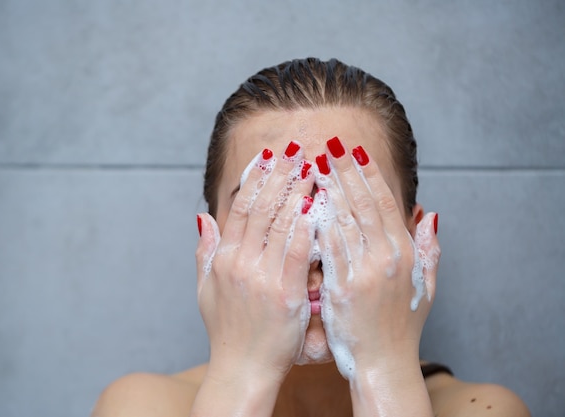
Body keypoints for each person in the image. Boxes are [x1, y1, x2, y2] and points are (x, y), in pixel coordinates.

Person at [92, 58, 530, 417]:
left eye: (350, 207)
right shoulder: (138, 406)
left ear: (417, 242)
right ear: (212, 243)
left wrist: (383, 373)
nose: (312, 251)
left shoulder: (487, 410)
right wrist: (243, 378)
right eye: (273, 208)